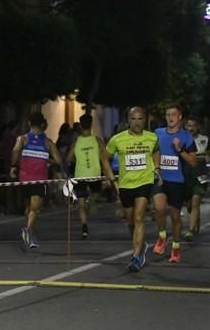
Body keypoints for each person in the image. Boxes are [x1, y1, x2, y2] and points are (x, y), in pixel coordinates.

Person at [105, 107, 161, 272]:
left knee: (139, 217)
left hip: (144, 182)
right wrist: (111, 178)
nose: (137, 122)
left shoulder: (152, 138)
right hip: (125, 185)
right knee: (130, 221)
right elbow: (104, 157)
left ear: (145, 120)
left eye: (140, 119)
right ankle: (140, 245)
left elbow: (156, 150)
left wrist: (156, 167)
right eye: (134, 119)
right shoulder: (117, 139)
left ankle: (136, 256)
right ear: (129, 120)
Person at [9, 112, 63, 249]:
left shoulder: (22, 139)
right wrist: (46, 160)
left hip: (24, 179)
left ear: (28, 123)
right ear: (43, 124)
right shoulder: (47, 142)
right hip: (39, 179)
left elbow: (15, 153)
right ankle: (27, 231)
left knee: (29, 207)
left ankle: (30, 236)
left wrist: (13, 166)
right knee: (35, 209)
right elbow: (59, 160)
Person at [151, 104, 196, 263]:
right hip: (161, 179)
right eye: (168, 114)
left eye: (173, 114)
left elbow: (193, 162)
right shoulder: (157, 133)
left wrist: (180, 150)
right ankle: (162, 236)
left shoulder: (186, 136)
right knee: (159, 208)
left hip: (177, 181)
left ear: (180, 117)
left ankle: (176, 247)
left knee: (175, 217)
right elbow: (150, 151)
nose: (170, 117)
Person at [66, 114, 113, 239]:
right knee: (96, 194)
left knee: (81, 203)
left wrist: (78, 157)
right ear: (91, 125)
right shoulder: (97, 141)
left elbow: (69, 158)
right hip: (95, 175)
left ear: (80, 126)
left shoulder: (76, 141)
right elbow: (106, 156)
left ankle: (84, 227)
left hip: (80, 175)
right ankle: (91, 198)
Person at [183, 116, 210, 241]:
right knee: (189, 205)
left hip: (201, 174)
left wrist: (207, 156)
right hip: (186, 175)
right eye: (189, 125)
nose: (191, 128)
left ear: (197, 127)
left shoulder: (204, 139)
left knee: (195, 201)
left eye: (193, 125)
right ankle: (196, 218)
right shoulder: (181, 139)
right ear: (185, 127)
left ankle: (190, 231)